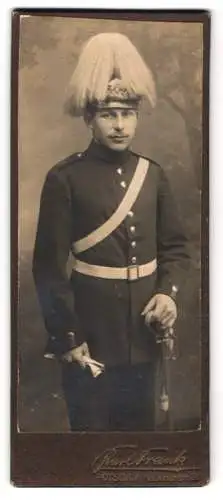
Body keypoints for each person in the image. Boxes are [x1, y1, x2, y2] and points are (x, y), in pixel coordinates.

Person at [32, 32, 190, 431]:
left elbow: (175, 250)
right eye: (108, 114)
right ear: (89, 119)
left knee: (140, 443)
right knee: (93, 447)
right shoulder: (65, 178)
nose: (120, 125)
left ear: (137, 116)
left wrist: (167, 295)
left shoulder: (152, 175)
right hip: (91, 339)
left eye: (127, 113)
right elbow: (49, 269)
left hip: (144, 337)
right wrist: (69, 336)